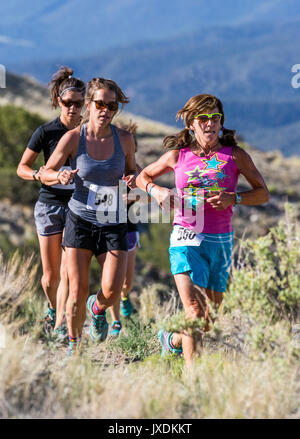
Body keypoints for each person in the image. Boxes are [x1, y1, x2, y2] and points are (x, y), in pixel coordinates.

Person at [136, 94, 270, 365]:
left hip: (220, 241)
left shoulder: (236, 156)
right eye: (204, 118)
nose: (210, 123)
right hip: (186, 237)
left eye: (215, 118)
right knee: (194, 311)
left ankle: (171, 339)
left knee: (209, 319)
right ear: (191, 125)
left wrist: (235, 198)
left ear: (221, 123)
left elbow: (263, 193)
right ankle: (192, 381)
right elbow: (142, 176)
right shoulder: (178, 155)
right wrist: (157, 190)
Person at [40, 77, 136, 355]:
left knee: (113, 290)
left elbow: (132, 170)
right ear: (88, 105)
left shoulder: (125, 139)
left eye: (112, 105)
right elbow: (45, 172)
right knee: (76, 291)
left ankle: (98, 309)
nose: (105, 110)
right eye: (99, 104)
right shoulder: (73, 138)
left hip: (113, 220)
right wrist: (58, 175)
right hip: (80, 220)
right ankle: (74, 346)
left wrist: (134, 180)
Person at [17, 66, 85, 339]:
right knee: (50, 277)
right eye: (68, 103)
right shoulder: (46, 132)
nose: (72, 108)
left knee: (69, 271)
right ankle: (52, 306)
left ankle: (60, 327)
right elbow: (22, 167)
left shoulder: (89, 133)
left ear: (85, 104)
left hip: (78, 207)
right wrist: (40, 175)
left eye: (79, 104)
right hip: (49, 205)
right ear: (59, 101)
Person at [108, 121, 142, 337]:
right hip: (108, 227)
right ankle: (115, 321)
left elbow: (145, 193)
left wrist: (129, 196)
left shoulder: (135, 169)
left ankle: (125, 297)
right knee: (111, 278)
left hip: (129, 227)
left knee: (126, 283)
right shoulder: (104, 166)